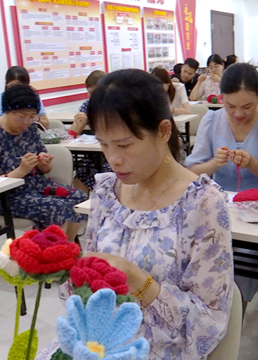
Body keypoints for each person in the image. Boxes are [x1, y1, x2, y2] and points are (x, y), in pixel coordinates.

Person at [83, 69, 233, 359]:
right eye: (103, 144)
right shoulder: (106, 192)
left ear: (164, 131)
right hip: (98, 343)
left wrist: (140, 281)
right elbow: (86, 280)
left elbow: (209, 325)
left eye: (125, 145)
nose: (113, 158)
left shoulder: (202, 205)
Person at [186, 63, 258, 306]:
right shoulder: (211, 120)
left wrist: (253, 164)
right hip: (219, 210)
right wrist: (214, 163)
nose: (238, 114)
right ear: (221, 98)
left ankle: (237, 313)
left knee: (241, 270)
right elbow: (191, 171)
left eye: (247, 106)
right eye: (230, 106)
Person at [0, 84, 87, 240]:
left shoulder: (30, 129)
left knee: (80, 199)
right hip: (7, 197)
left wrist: (45, 164)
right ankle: (55, 254)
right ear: (7, 111)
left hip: (36, 186)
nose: (27, 122)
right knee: (57, 208)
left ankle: (67, 248)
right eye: (21, 116)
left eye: (32, 116)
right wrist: (21, 170)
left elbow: (44, 169)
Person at [0, 66, 49, 130]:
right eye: (12, 86)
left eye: (19, 85)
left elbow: (45, 125)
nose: (16, 89)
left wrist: (33, 118)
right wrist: (5, 122)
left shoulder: (32, 99)